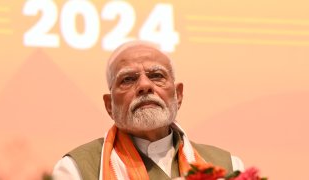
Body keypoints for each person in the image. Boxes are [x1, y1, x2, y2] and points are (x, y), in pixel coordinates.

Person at [52, 40, 244, 180]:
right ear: (109, 105)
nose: (144, 85)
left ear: (178, 95)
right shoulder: (77, 169)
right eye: (128, 79)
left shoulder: (226, 167)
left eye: (156, 75)